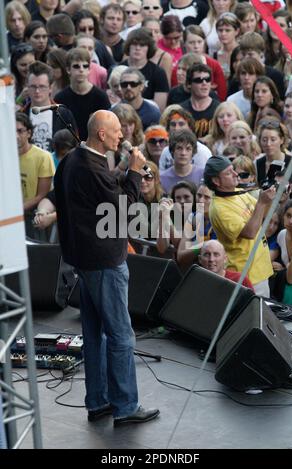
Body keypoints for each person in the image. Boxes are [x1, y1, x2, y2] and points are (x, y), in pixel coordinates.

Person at [54, 110, 160, 425]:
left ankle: (98, 401)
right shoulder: (91, 167)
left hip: (83, 259)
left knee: (95, 333)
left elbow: (100, 196)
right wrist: (136, 173)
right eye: (116, 132)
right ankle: (126, 406)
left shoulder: (73, 160)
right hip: (104, 262)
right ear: (101, 134)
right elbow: (123, 211)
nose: (120, 136)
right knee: (120, 334)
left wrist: (127, 173)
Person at [203, 155, 275, 296]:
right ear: (216, 181)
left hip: (260, 270)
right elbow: (250, 233)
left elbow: (263, 214)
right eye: (229, 173)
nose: (236, 174)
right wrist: (261, 202)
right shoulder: (219, 208)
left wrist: (270, 196)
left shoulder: (236, 192)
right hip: (245, 276)